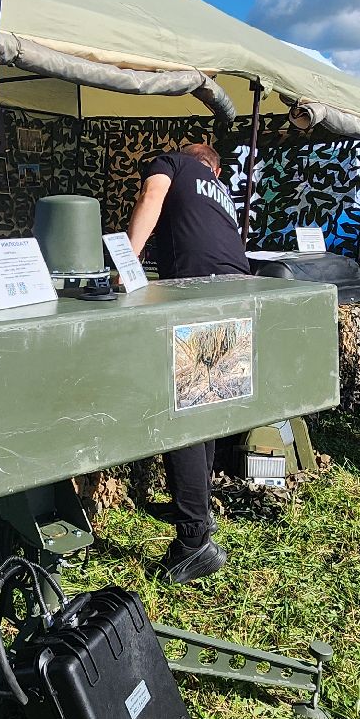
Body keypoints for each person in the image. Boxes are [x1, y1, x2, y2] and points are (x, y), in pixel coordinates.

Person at [125, 142, 249, 585]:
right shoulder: (221, 193)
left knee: (182, 417)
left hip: (199, 293)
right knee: (207, 409)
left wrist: (128, 261)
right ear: (214, 168)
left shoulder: (172, 163)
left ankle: (194, 542)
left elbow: (150, 197)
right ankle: (197, 510)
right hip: (237, 293)